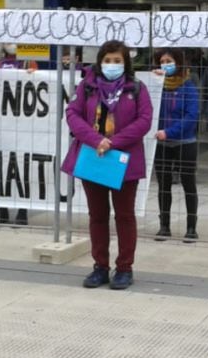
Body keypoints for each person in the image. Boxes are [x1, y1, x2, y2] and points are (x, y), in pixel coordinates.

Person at [61, 41, 153, 290]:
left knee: (124, 216)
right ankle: (99, 267)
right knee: (97, 216)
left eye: (117, 61)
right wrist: (95, 140)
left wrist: (112, 142)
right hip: (94, 159)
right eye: (107, 60)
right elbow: (72, 114)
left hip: (123, 161)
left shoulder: (137, 88)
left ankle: (124, 268)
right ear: (100, 61)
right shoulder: (87, 87)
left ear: (126, 63)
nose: (112, 65)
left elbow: (144, 120)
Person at [152, 49, 200, 242]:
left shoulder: (188, 87)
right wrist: (152, 81)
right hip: (162, 144)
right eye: (162, 61)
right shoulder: (157, 86)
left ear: (178, 63)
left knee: (189, 184)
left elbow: (191, 117)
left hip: (184, 142)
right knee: (163, 186)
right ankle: (164, 225)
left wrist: (168, 132)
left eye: (169, 61)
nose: (165, 64)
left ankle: (191, 227)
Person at [0, 42, 38, 225]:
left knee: (21, 168)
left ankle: (22, 211)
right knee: (0, 166)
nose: (12, 44)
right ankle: (2, 210)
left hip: (22, 124)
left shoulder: (28, 62)